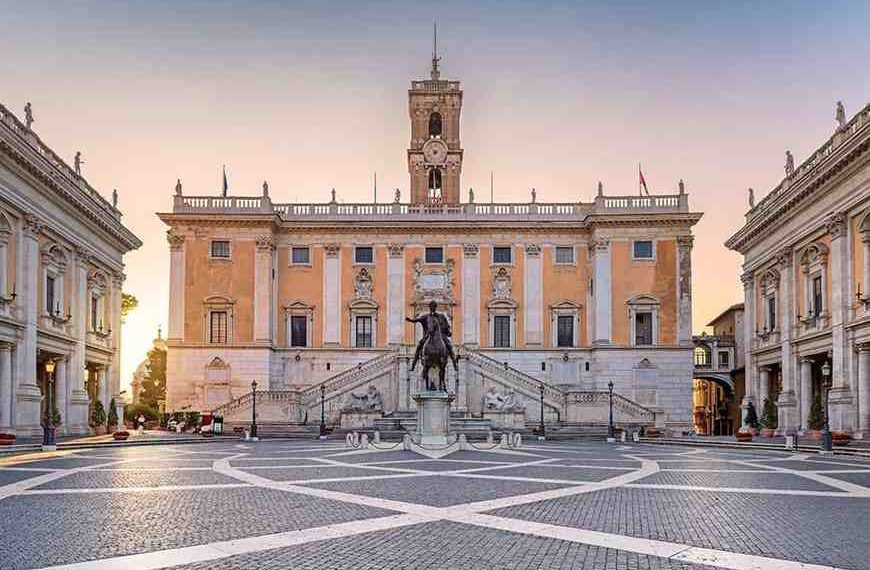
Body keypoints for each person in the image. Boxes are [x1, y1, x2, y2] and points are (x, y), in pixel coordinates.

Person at [406, 300, 458, 371]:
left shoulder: (441, 316)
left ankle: (455, 365)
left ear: (435, 307)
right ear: (429, 307)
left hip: (442, 335)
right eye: (431, 307)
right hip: (429, 335)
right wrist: (410, 320)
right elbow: (417, 320)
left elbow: (447, 326)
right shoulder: (426, 316)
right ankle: (413, 365)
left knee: (449, 346)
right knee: (419, 346)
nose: (432, 308)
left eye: (433, 307)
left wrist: (448, 332)